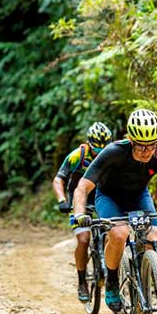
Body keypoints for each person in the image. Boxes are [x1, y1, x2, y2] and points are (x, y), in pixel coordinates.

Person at [72, 109, 157, 312]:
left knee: (154, 237)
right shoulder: (114, 152)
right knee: (119, 234)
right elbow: (82, 187)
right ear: (131, 140)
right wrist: (80, 213)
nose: (146, 151)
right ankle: (112, 281)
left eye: (151, 145)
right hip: (109, 196)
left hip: (138, 196)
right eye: (141, 145)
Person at [52, 122, 112, 302]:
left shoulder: (113, 154)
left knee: (112, 233)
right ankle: (81, 281)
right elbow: (58, 179)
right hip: (79, 200)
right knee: (84, 239)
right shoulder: (77, 156)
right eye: (96, 150)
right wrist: (62, 200)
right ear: (88, 144)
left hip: (102, 197)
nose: (100, 154)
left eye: (103, 150)